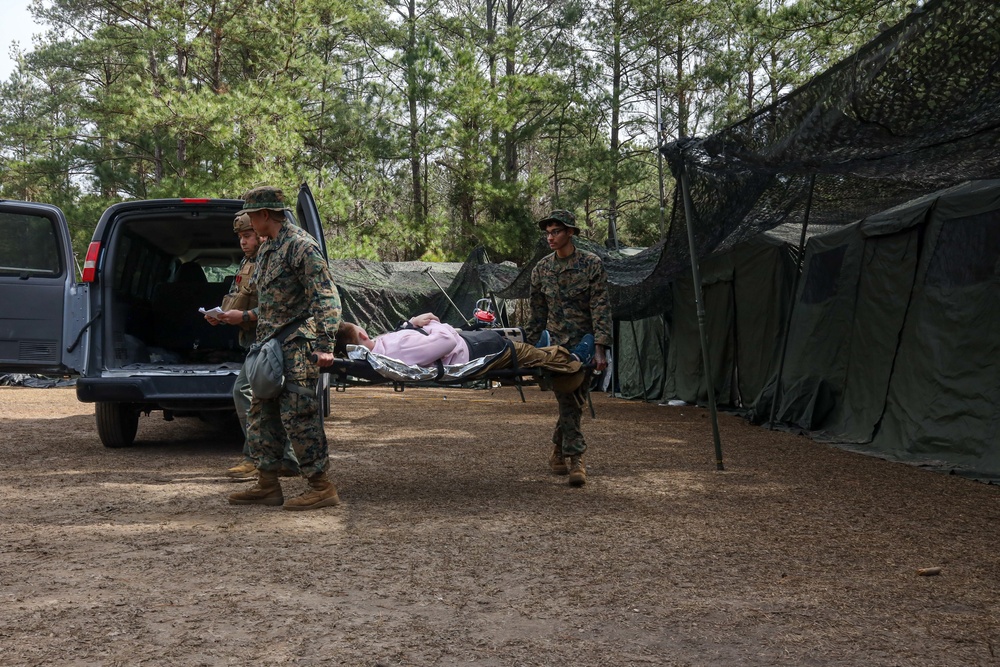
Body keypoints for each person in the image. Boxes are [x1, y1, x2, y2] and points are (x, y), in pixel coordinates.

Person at [227, 186, 343, 511]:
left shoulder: (301, 246)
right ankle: (267, 485)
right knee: (261, 415)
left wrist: (325, 345)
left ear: (265, 215)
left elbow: (326, 297)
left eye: (251, 215)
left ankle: (321, 486)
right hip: (269, 348)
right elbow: (268, 305)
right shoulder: (266, 250)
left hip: (297, 348)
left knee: (299, 417)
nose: (248, 222)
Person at [205, 213, 300, 481]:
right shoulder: (249, 261)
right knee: (264, 397)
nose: (243, 242)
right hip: (258, 341)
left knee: (246, 391)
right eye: (240, 237)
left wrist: (244, 317)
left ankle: (259, 458)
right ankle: (284, 459)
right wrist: (222, 315)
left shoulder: (275, 259)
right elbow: (242, 298)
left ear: (260, 233)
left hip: (276, 339)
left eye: (247, 236)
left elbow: (281, 306)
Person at [524, 209, 613, 487]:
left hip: (584, 345)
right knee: (568, 398)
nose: (550, 237)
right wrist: (526, 350)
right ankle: (576, 459)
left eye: (556, 232)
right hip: (556, 348)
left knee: (575, 399)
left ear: (570, 232)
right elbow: (536, 315)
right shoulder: (541, 269)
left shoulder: (591, 265)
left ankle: (557, 450)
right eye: (548, 232)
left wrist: (600, 347)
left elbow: (600, 306)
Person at [322, 313, 584, 390]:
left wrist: (412, 323)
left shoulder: (379, 351)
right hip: (474, 351)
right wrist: (436, 324)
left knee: (526, 350)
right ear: (363, 335)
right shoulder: (395, 349)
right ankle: (574, 359)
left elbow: (398, 338)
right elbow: (445, 342)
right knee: (524, 353)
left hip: (468, 345)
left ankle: (547, 354)